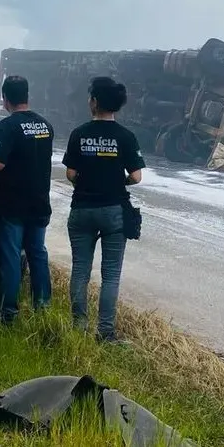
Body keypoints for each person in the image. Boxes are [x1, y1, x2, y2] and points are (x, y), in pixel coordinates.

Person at [62, 76, 145, 343]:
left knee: (80, 270)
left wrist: (86, 181)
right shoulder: (126, 136)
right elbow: (136, 177)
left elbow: (70, 173)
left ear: (94, 102)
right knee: (110, 275)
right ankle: (106, 333)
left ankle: (79, 327)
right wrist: (115, 181)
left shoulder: (79, 133)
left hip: (82, 208)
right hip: (113, 211)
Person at [0, 75, 54, 325]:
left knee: (10, 257)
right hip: (39, 203)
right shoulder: (45, 126)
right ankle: (43, 308)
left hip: (13, 205)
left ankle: (8, 314)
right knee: (38, 255)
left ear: (5, 99)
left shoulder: (7, 127)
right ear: (27, 96)